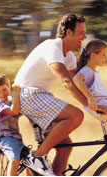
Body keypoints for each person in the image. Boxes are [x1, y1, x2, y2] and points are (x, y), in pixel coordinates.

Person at [14, 13, 88, 176]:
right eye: (81, 32)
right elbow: (66, 82)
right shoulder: (52, 47)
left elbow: (77, 81)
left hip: (38, 96)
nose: (85, 36)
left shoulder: (67, 55)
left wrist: (102, 101)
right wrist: (90, 105)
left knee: (65, 147)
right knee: (76, 116)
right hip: (27, 94)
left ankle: (37, 165)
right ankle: (36, 158)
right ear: (69, 33)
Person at [0, 73, 25, 176]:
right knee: (15, 159)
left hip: (13, 136)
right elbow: (14, 111)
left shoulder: (10, 100)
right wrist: (16, 92)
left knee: (28, 160)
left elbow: (20, 109)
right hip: (3, 137)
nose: (2, 94)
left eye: (4, 89)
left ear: (8, 86)